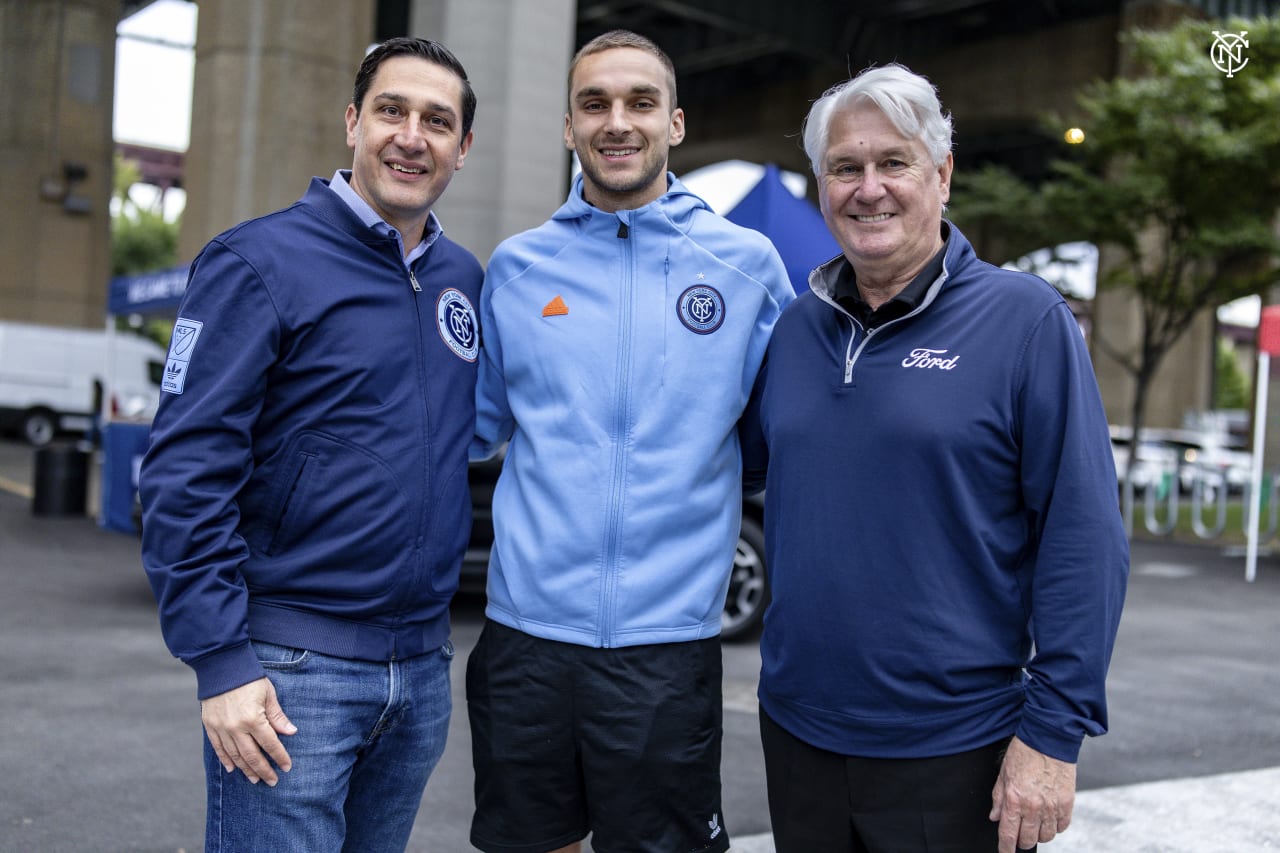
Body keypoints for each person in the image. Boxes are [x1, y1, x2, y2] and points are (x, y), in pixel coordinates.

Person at [740, 63, 1129, 853]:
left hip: (957, 752)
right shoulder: (794, 330)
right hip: (798, 734)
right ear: (822, 186)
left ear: (942, 175)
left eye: (894, 163)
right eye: (846, 167)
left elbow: (1083, 538)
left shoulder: (1026, 322)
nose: (869, 188)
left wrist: (1053, 736)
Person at [139, 37, 481, 852]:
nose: (412, 136)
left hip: (421, 670)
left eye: (438, 121)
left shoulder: (461, 278)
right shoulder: (257, 261)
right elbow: (184, 472)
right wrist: (220, 659)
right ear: (352, 122)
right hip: (290, 672)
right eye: (391, 110)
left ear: (463, 150)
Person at [468, 29, 794, 853]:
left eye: (640, 102)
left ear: (675, 123)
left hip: (668, 647)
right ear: (569, 127)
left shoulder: (746, 268)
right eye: (595, 104)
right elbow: (459, 435)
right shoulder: (516, 269)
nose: (618, 121)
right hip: (525, 640)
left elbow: (789, 438)